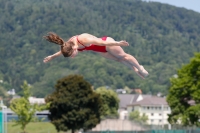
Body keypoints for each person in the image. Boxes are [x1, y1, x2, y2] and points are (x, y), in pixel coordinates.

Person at [43, 32, 149, 79]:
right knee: (119, 60)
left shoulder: (84, 39)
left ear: (74, 49)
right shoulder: (68, 45)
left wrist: (117, 43)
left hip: (106, 44)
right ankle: (135, 70)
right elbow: (63, 51)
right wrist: (52, 56)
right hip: (99, 50)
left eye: (72, 55)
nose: (72, 56)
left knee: (123, 56)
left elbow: (102, 43)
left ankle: (140, 68)